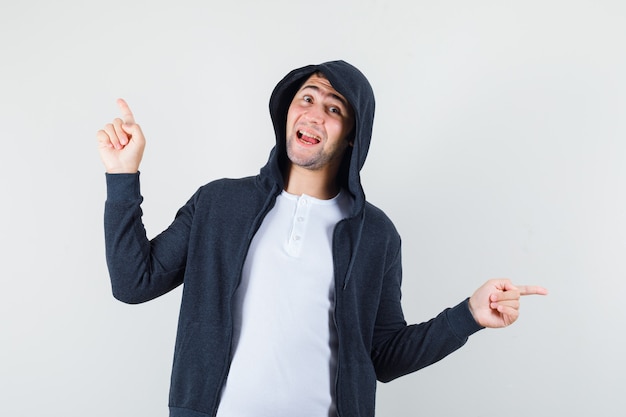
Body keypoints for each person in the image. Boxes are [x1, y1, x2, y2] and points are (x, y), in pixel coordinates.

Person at [97, 60, 547, 417]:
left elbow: (383, 356)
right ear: (287, 112)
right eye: (306, 98)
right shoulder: (218, 204)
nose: (314, 113)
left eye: (333, 108)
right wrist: (122, 177)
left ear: (352, 136)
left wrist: (467, 315)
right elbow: (134, 283)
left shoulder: (377, 235)